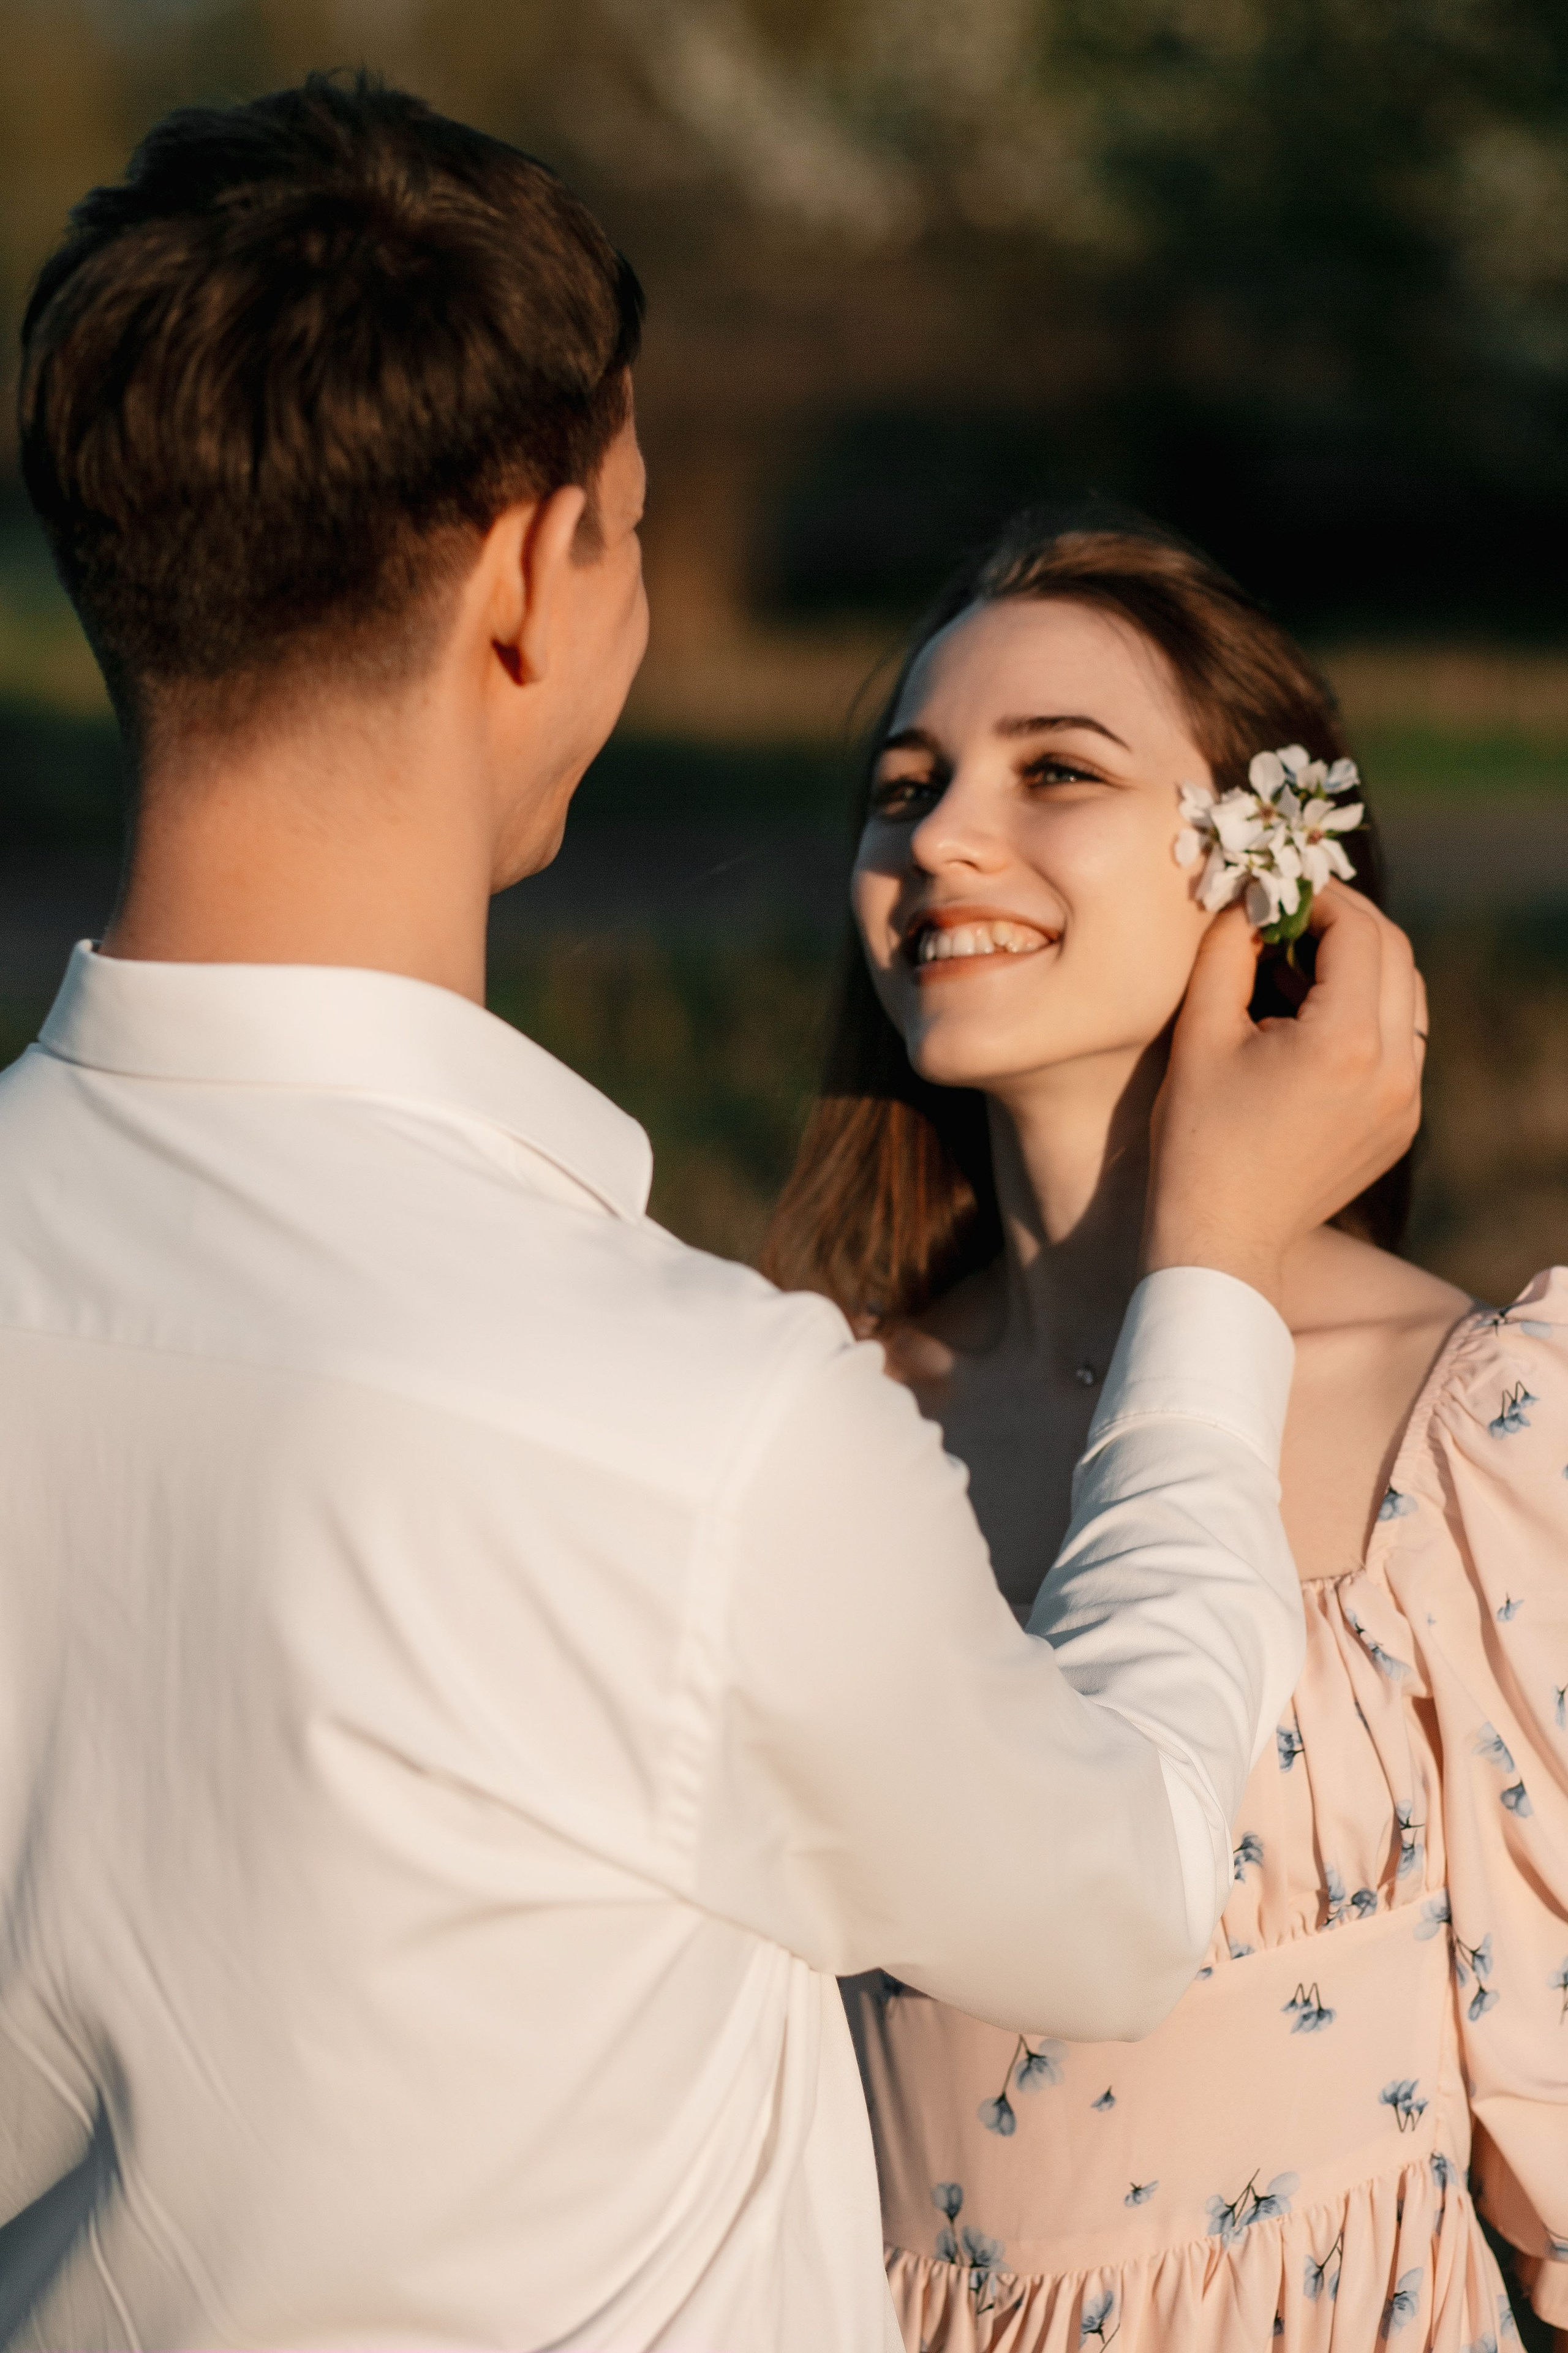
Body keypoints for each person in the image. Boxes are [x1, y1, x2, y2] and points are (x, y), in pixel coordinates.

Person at [0, 78, 1421, 2353]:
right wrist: (1216, 1270)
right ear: (526, 578)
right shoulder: (688, 1420)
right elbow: (1126, 1880)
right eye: (637, 527)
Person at [763, 513, 1568, 2352]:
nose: (940, 836)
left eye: (1057, 770)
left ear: (1270, 868)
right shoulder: (817, 1419)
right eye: (905, 785)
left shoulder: (1478, 1437)